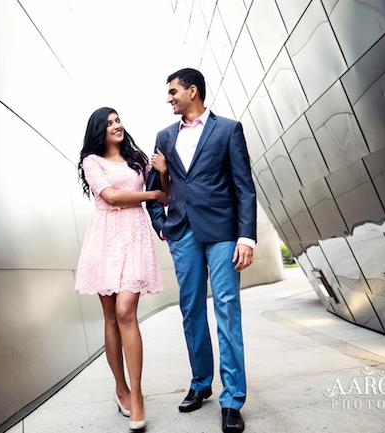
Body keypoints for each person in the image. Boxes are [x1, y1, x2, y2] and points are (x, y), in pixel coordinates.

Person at [146, 68, 256, 433]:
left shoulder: (228, 130)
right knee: (191, 309)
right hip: (182, 234)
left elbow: (244, 187)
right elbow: (154, 189)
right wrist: (162, 225)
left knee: (227, 310)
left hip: (224, 232)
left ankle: (232, 399)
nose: (169, 98)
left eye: (173, 91)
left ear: (193, 91)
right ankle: (200, 384)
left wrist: (247, 237)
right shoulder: (164, 136)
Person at [75, 107, 168, 432]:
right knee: (111, 317)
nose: (116, 125)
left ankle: (137, 394)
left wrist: (163, 173)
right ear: (98, 130)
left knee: (126, 310)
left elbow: (164, 193)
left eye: (118, 120)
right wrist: (150, 194)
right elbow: (111, 196)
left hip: (134, 236)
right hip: (104, 239)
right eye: (109, 122)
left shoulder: (137, 158)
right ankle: (121, 388)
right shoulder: (92, 161)